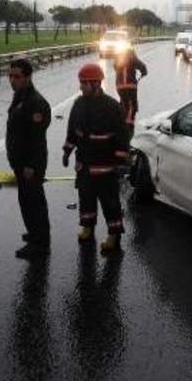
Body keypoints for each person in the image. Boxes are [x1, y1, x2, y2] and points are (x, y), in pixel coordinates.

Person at [62, 63, 129, 254]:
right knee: (86, 200)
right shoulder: (78, 105)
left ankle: (114, 237)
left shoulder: (112, 107)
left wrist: (120, 161)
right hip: (84, 165)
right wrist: (67, 151)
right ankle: (88, 228)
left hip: (105, 167)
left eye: (84, 83)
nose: (81, 87)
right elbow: (72, 131)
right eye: (80, 83)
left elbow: (122, 137)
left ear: (96, 83)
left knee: (110, 204)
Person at [6, 58, 52, 259]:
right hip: (20, 163)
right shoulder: (20, 96)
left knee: (34, 202)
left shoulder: (36, 103)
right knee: (25, 200)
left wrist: (31, 165)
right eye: (10, 76)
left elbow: (36, 139)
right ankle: (35, 233)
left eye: (17, 77)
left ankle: (40, 244)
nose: (12, 80)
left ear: (28, 77)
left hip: (29, 165)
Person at [114, 48, 148, 141]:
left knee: (123, 102)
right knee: (132, 106)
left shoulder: (118, 58)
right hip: (130, 86)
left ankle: (120, 122)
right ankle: (128, 127)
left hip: (119, 86)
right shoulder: (132, 56)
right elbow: (143, 67)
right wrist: (143, 73)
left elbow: (115, 67)